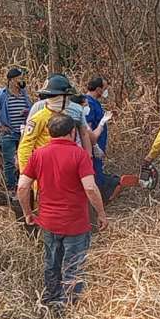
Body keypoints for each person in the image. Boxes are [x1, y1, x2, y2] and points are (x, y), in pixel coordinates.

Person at [16, 114, 108, 307]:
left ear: (49, 132)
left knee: (52, 263)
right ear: (72, 132)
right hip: (75, 223)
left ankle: (50, 299)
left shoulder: (38, 154)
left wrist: (27, 213)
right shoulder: (80, 154)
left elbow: (22, 187)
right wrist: (101, 213)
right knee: (73, 266)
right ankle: (69, 306)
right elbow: (90, 188)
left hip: (48, 223)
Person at [18, 74, 93, 174]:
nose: (68, 101)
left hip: (64, 169)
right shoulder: (39, 118)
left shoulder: (66, 116)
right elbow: (25, 148)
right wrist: (28, 175)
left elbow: (82, 135)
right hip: (45, 170)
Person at [85, 77, 137, 202]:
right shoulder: (88, 104)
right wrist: (94, 146)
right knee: (94, 175)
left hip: (98, 147)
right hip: (92, 148)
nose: (106, 91)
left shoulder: (94, 102)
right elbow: (87, 129)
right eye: (105, 88)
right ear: (98, 89)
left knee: (98, 172)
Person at [0, 67, 32, 197]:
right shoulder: (1, 94)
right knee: (10, 162)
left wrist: (27, 112)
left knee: (24, 160)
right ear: (11, 80)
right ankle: (11, 189)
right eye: (19, 78)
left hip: (23, 132)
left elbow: (30, 108)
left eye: (22, 78)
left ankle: (23, 187)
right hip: (8, 133)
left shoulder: (24, 93)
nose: (21, 81)